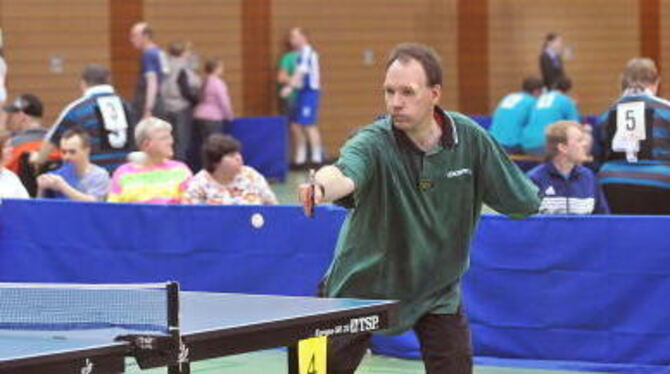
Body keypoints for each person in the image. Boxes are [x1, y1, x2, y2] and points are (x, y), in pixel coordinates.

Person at [297, 43, 540, 374]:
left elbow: (523, 201)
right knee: (308, 370)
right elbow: (340, 172)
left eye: (407, 92)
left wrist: (533, 199)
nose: (396, 102)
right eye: (389, 91)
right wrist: (321, 188)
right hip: (357, 288)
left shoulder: (469, 139)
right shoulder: (373, 142)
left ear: (434, 94)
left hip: (436, 290)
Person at [596, 58, 670, 214]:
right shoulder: (666, 110)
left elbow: (598, 155)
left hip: (610, 181)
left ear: (624, 81)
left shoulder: (607, 114)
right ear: (656, 81)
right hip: (661, 182)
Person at [34, 64, 134, 174]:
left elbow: (52, 141)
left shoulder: (78, 109)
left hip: (91, 180)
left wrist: (37, 160)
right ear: (109, 81)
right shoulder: (126, 106)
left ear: (83, 83)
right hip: (125, 178)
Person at [527, 121, 609, 214]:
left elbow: (603, 220)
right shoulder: (533, 179)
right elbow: (525, 223)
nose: (585, 144)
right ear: (563, 147)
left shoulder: (589, 177)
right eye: (579, 140)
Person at [108, 117, 192, 204]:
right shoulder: (123, 173)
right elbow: (113, 209)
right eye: (164, 138)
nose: (170, 142)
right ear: (146, 144)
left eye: (170, 137)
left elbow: (189, 208)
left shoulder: (180, 170)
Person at [183, 133, 277, 205]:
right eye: (231, 156)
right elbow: (190, 216)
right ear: (215, 162)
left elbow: (273, 206)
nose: (238, 158)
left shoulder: (251, 176)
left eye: (238, 153)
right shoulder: (199, 183)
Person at [281, 27, 323, 167]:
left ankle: (317, 158)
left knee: (309, 124)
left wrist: (289, 88)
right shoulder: (298, 54)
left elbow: (300, 73)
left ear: (303, 37)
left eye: (294, 36)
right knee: (297, 124)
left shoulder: (307, 52)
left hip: (309, 92)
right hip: (300, 93)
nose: (291, 40)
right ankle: (301, 158)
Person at [37, 128, 110, 202]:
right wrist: (41, 188)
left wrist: (62, 186)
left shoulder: (99, 175)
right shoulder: (57, 174)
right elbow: (40, 206)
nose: (66, 157)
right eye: (63, 152)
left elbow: (94, 204)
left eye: (72, 152)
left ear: (86, 151)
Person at [162, 41, 201, 162]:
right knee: (182, 141)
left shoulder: (165, 65)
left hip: (167, 105)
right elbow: (186, 88)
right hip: (181, 106)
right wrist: (196, 101)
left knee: (170, 139)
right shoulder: (183, 68)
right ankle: (179, 165)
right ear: (183, 53)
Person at [192, 58, 234, 169]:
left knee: (203, 144)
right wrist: (229, 115)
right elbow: (224, 101)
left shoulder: (204, 81)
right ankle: (212, 168)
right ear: (216, 69)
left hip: (199, 115)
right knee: (214, 145)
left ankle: (203, 166)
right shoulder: (217, 83)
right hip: (212, 117)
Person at [521, 76, 580, 155]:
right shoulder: (566, 101)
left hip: (526, 144)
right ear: (568, 90)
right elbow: (576, 126)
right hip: (544, 146)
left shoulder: (538, 99)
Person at [489, 77, 544, 153]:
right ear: (537, 91)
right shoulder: (533, 102)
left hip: (492, 143)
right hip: (511, 146)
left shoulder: (509, 97)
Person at [129, 22, 168, 120]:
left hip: (147, 102)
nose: (131, 40)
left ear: (146, 36)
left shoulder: (148, 55)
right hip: (159, 101)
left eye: (134, 36)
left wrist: (148, 109)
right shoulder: (160, 52)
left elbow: (152, 82)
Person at [277, 33, 299, 119]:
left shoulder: (311, 57)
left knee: (308, 125)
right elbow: (281, 78)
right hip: (292, 97)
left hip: (307, 97)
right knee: (293, 124)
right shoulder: (288, 57)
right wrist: (297, 81)